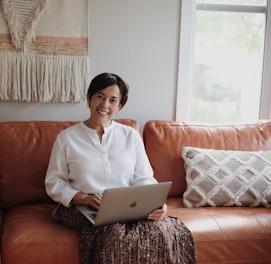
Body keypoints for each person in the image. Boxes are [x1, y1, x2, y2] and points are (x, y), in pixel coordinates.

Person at [45, 73, 196, 263]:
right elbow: (54, 182)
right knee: (114, 232)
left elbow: (145, 179)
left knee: (160, 230)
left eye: (113, 100)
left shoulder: (130, 136)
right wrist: (85, 198)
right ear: (89, 98)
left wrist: (156, 205)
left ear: (120, 106)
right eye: (100, 96)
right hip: (81, 206)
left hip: (127, 207)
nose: (104, 105)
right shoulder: (67, 138)